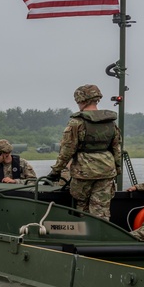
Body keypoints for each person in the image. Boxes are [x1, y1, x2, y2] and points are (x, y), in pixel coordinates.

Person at [48, 84, 122, 219]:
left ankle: (85, 235)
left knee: (82, 208)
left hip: (84, 171)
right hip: (106, 170)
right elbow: (117, 148)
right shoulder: (110, 122)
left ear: (82, 100)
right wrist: (117, 168)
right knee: (101, 210)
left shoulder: (77, 122)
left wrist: (56, 171)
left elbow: (67, 150)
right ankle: (101, 236)